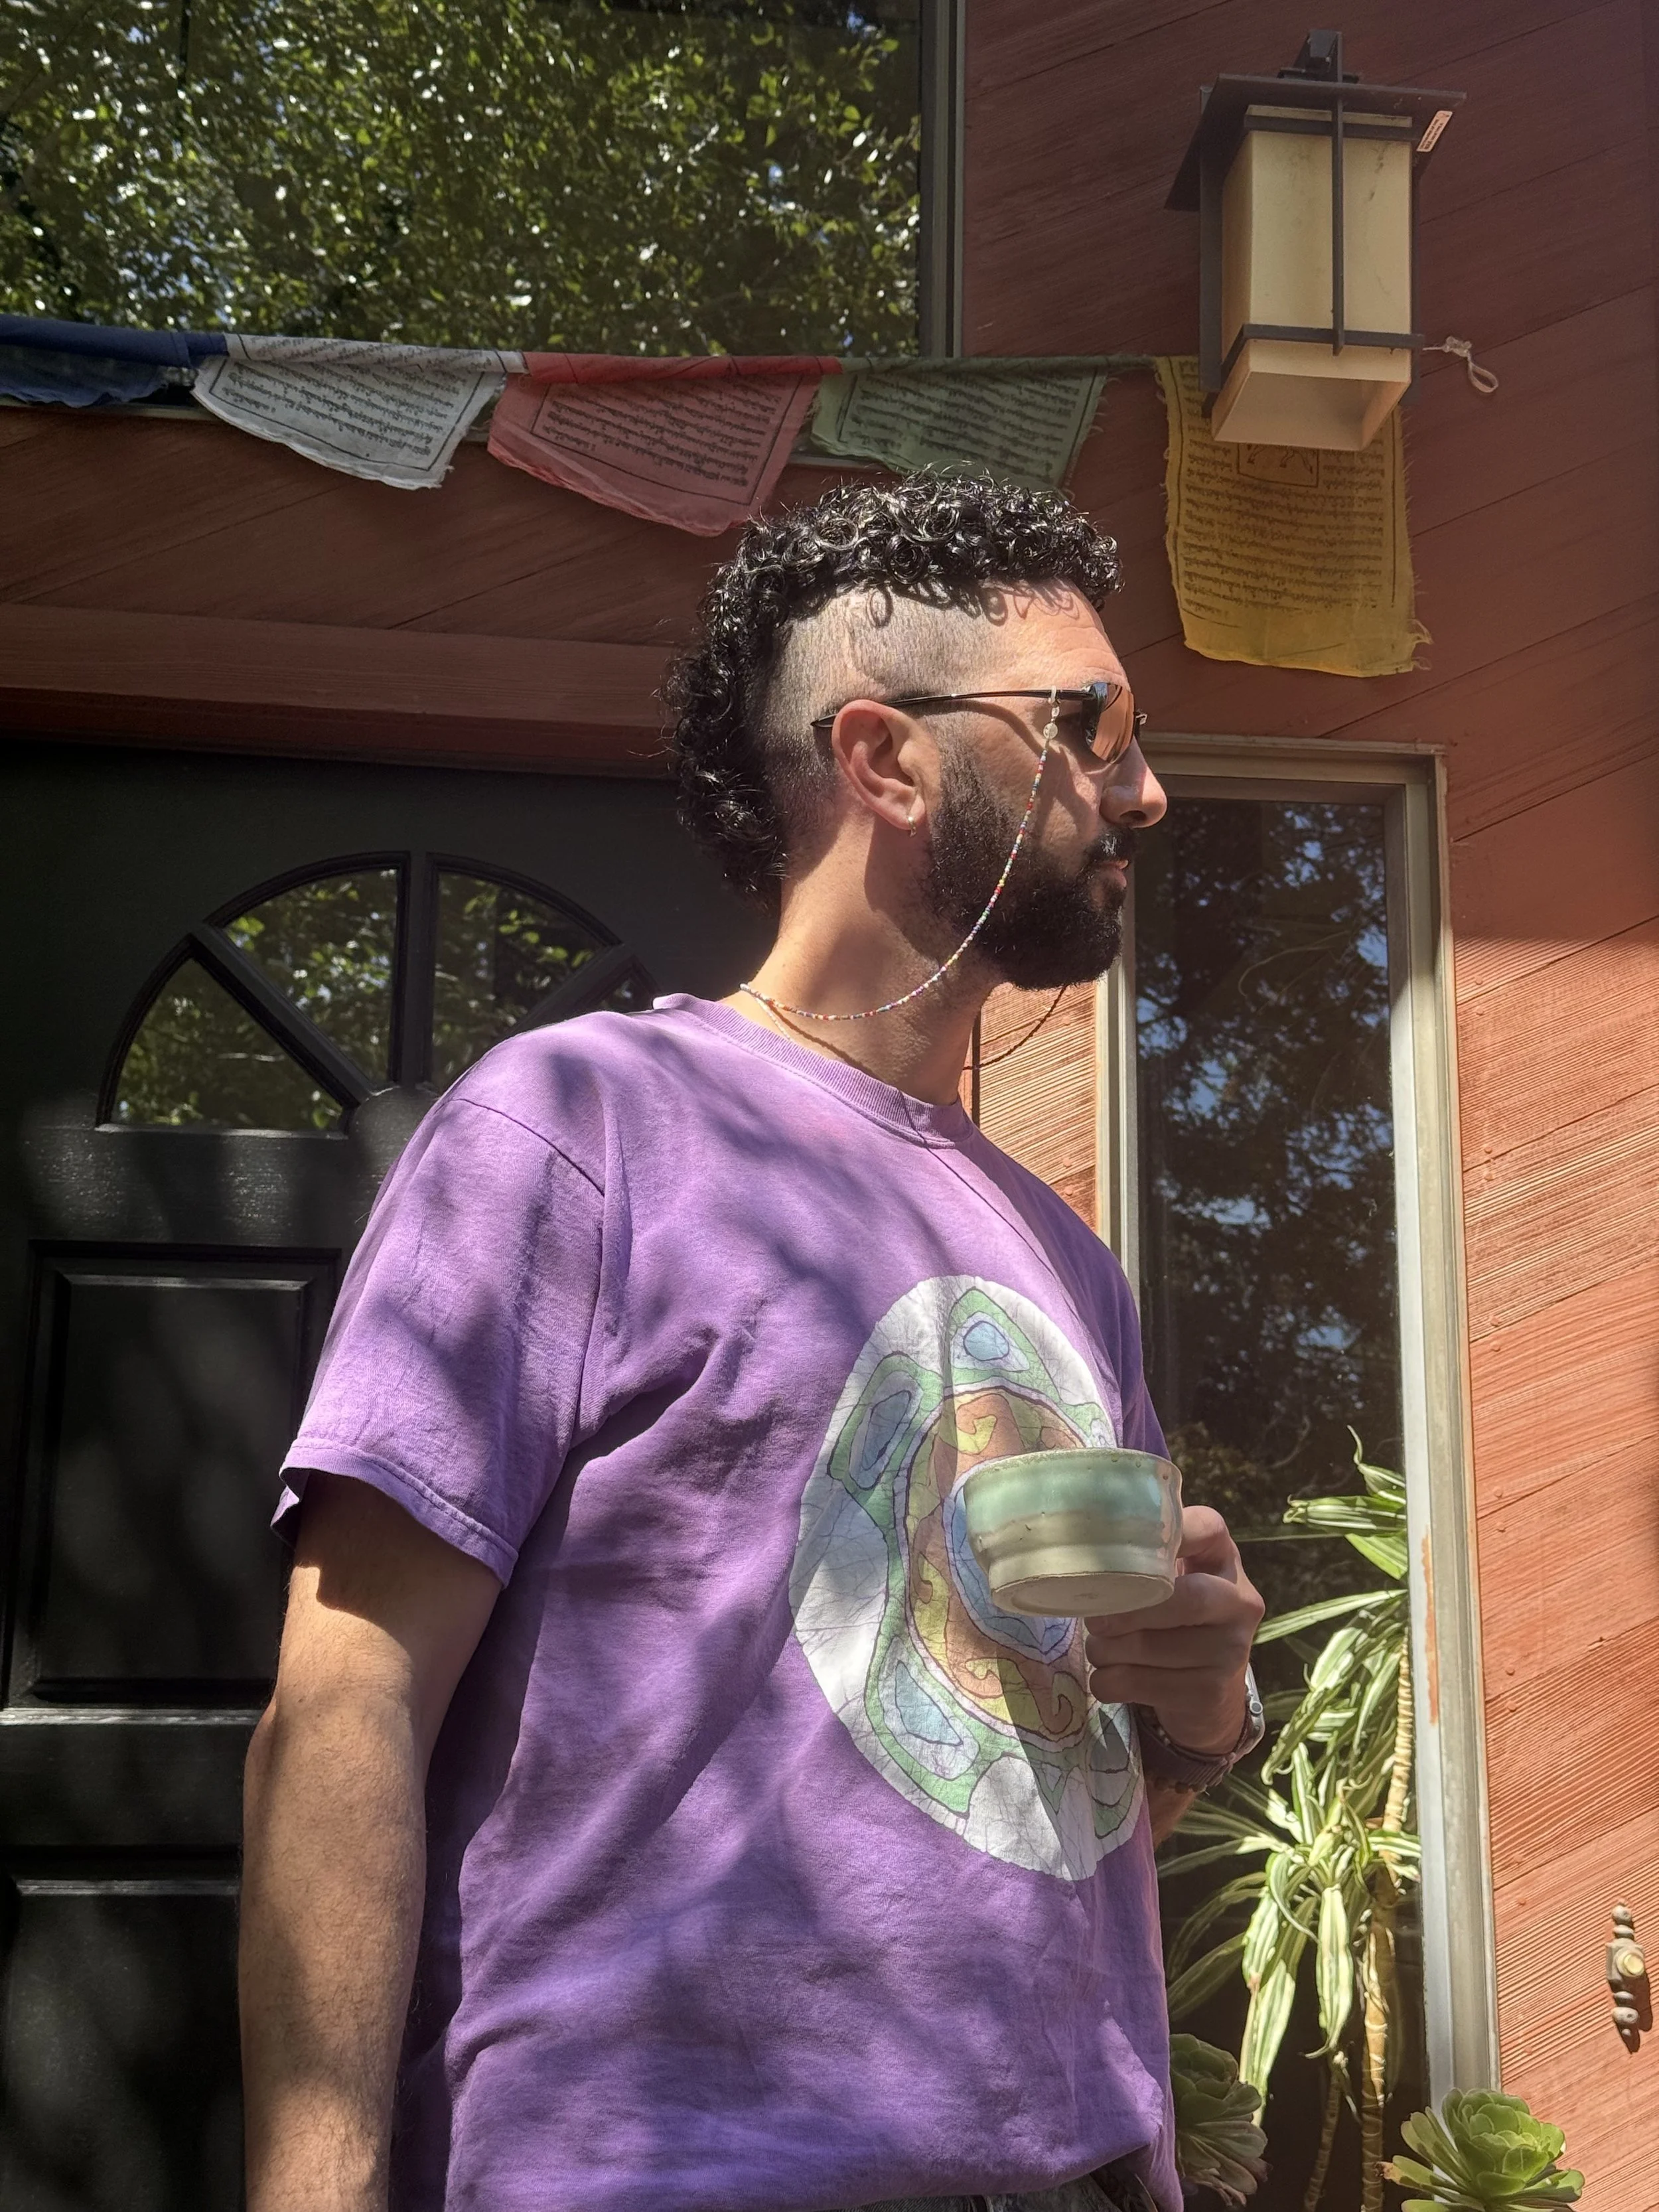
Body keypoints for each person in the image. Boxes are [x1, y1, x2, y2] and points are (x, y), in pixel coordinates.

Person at [240, 475, 1263, 2212]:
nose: (1142, 791)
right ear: (885, 757)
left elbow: (1026, 1809)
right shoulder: (576, 1122)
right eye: (1086, 729)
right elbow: (349, 1692)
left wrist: (1191, 1705)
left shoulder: (1065, 1263)